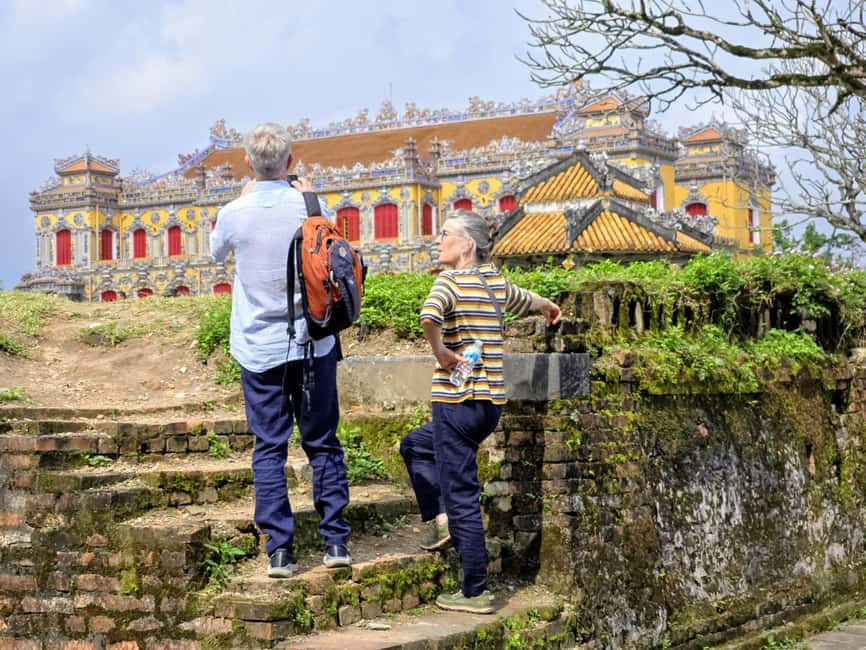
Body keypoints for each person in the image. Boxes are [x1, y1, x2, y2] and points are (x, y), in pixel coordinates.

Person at [399, 209, 561, 614]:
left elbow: (428, 316)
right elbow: (527, 299)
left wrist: (440, 352)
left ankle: (475, 590)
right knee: (414, 446)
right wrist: (549, 307)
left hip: (456, 404)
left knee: (462, 496)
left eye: (446, 234)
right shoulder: (494, 282)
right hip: (488, 407)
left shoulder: (448, 281)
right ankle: (439, 520)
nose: (438, 240)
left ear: (467, 244)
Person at [210, 122, 352, 578]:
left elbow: (215, 253)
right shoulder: (312, 205)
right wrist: (309, 199)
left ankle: (281, 551)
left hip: (259, 347)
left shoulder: (234, 212)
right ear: (291, 163)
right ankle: (335, 541)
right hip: (314, 343)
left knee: (269, 447)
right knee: (323, 442)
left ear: (248, 162)